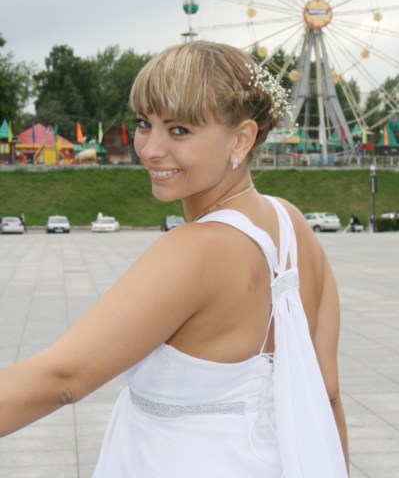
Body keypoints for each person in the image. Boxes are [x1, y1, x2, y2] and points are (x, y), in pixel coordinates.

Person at [0, 41, 348, 477]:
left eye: (179, 130)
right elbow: (327, 392)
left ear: (242, 138)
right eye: (144, 124)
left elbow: (62, 378)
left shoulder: (196, 248)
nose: (149, 149)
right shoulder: (292, 224)